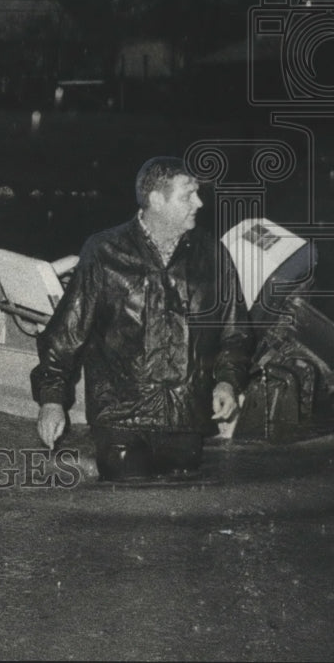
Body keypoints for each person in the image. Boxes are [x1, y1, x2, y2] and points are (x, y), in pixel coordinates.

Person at [31, 156, 255, 482]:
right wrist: (51, 401)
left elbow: (236, 332)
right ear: (155, 200)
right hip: (121, 416)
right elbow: (66, 333)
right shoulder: (104, 252)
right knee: (125, 504)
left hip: (186, 415)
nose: (199, 203)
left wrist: (227, 381)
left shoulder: (214, 255)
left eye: (198, 193)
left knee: (180, 511)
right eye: (187, 195)